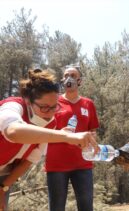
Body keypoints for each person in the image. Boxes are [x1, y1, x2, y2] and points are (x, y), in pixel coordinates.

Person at [0, 68, 98, 211]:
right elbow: (13, 132)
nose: (51, 113)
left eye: (54, 107)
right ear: (28, 101)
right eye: (45, 107)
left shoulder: (50, 123)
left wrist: (3, 188)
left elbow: (28, 161)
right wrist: (66, 136)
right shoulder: (12, 106)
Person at [45, 64, 99, 211]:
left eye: (73, 76)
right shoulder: (53, 102)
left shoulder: (88, 104)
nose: (69, 78)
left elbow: (92, 132)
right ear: (62, 80)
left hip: (83, 164)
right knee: (56, 208)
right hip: (56, 165)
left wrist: (91, 141)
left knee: (86, 207)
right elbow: (43, 129)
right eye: (66, 75)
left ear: (80, 81)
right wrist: (60, 133)